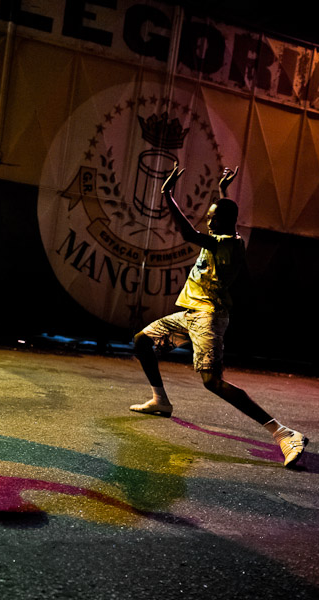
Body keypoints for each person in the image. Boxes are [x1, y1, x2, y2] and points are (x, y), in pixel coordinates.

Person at [129, 162, 308, 468]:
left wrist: (167, 194)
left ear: (224, 222)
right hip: (190, 314)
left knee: (212, 382)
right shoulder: (226, 236)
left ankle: (284, 433)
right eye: (208, 218)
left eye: (213, 219)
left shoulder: (227, 243)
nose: (208, 223)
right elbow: (224, 217)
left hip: (208, 317)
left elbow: (188, 232)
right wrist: (223, 191)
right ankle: (160, 400)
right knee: (142, 341)